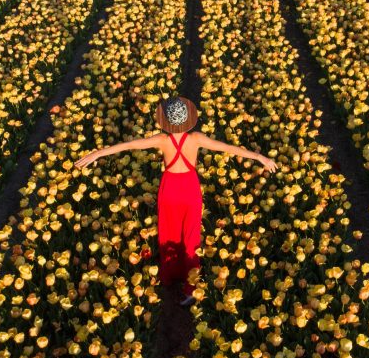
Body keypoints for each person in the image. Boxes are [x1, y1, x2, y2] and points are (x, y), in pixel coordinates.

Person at [74, 96, 278, 306]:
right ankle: (190, 288)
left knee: (168, 231)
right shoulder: (196, 139)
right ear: (188, 118)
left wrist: (97, 154)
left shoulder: (162, 140)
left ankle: (169, 277)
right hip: (189, 188)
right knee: (190, 235)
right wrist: (260, 157)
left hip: (170, 188)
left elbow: (130, 145)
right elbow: (227, 147)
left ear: (166, 120)